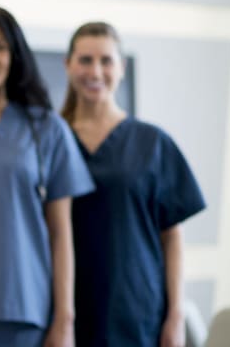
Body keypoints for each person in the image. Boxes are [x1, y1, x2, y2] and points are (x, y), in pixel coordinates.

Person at [0, 6, 94, 347]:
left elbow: (61, 232)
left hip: (23, 306)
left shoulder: (46, 129)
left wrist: (65, 320)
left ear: (14, 55)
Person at [61, 21, 205, 347]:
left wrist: (176, 316)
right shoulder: (52, 140)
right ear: (68, 64)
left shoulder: (152, 142)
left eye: (106, 60)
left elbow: (172, 237)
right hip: (66, 311)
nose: (95, 71)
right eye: (85, 60)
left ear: (121, 68)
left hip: (137, 312)